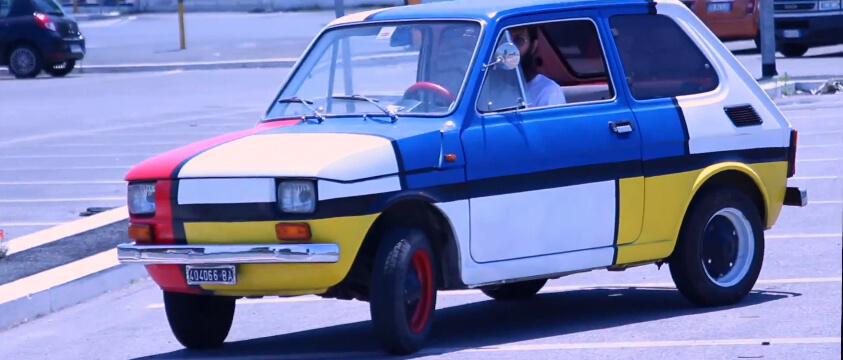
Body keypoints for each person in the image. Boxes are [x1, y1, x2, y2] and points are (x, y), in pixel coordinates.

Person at [508, 26, 567, 107]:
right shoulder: (488, 88)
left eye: (519, 40)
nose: (510, 49)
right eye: (505, 41)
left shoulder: (549, 92)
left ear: (533, 46)